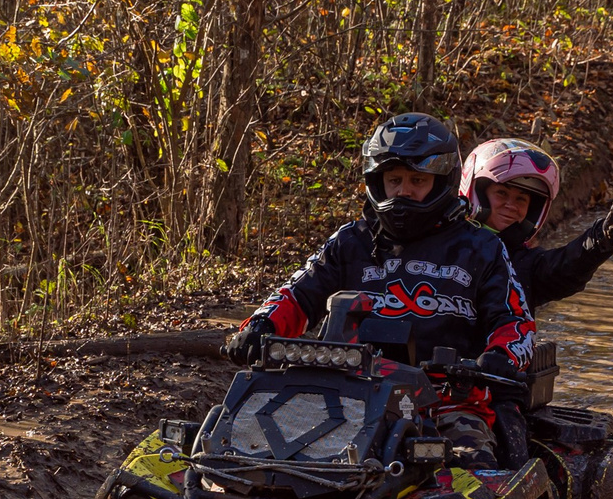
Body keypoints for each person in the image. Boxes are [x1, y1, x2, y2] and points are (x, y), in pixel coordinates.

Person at [224, 113, 536, 463]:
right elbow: (297, 296)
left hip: (447, 403)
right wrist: (260, 326)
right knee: (241, 447)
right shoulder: (349, 242)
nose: (404, 191)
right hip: (340, 397)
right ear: (377, 182)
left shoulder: (482, 247)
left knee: (471, 468)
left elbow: (515, 323)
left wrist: (498, 358)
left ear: (442, 181)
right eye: (394, 179)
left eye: (417, 180)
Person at [459, 137, 613, 307]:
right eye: (502, 193)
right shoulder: (444, 244)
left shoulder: (525, 264)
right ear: (479, 192)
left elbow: (563, 269)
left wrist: (600, 239)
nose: (511, 205)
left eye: (521, 199)